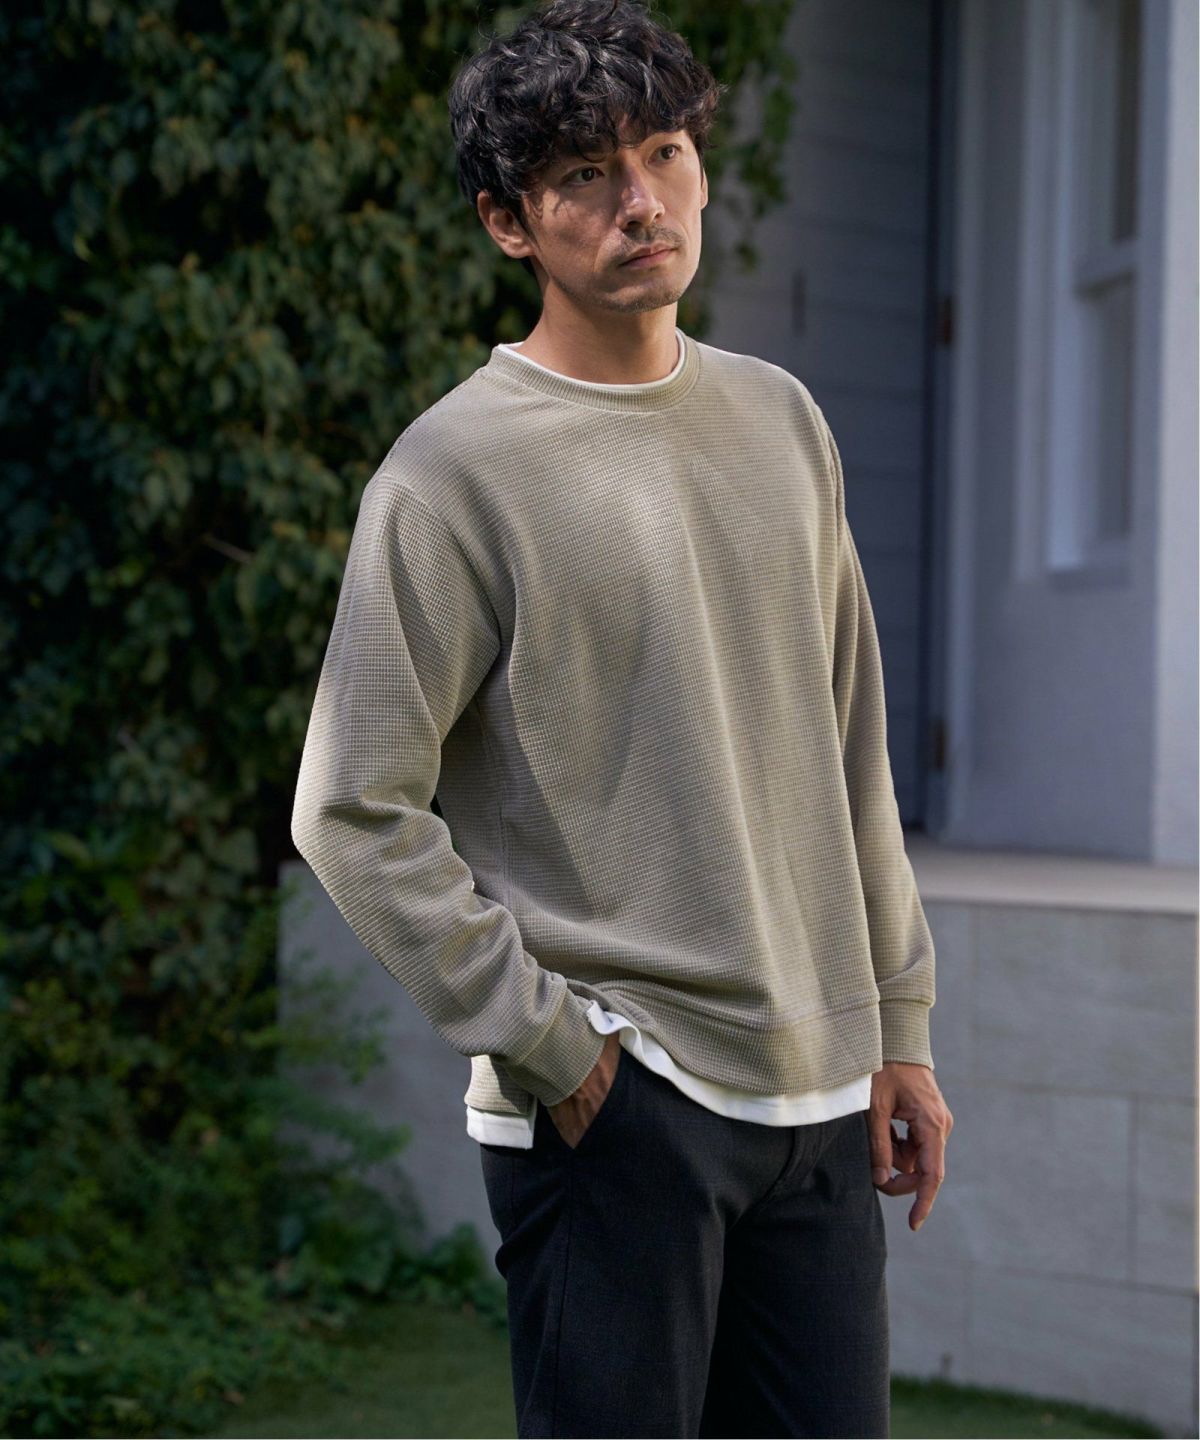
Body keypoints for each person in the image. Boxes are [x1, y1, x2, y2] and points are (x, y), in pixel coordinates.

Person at [291, 0, 954, 1433]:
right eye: (585, 174)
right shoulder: (450, 475)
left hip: (820, 1099)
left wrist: (897, 1021)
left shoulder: (784, 423)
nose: (640, 202)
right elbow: (349, 805)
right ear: (509, 224)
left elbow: (852, 745)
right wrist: (555, 1049)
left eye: (662, 152)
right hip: (617, 1107)